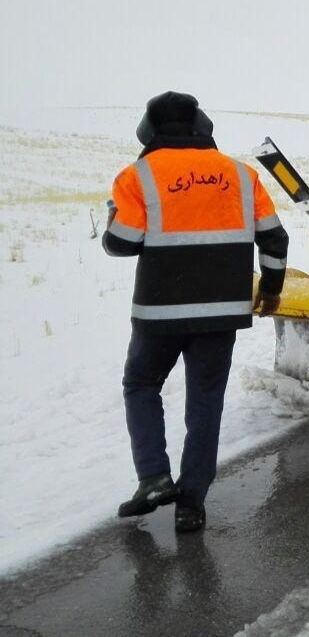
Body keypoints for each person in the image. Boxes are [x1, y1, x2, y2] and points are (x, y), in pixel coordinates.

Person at [103, 91, 289, 533]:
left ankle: (153, 478)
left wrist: (113, 217)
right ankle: (192, 504)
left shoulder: (137, 176)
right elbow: (275, 240)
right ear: (202, 126)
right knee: (205, 402)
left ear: (148, 130)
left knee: (141, 384)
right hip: (222, 313)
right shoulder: (241, 175)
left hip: (158, 314)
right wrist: (273, 289)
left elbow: (121, 243)